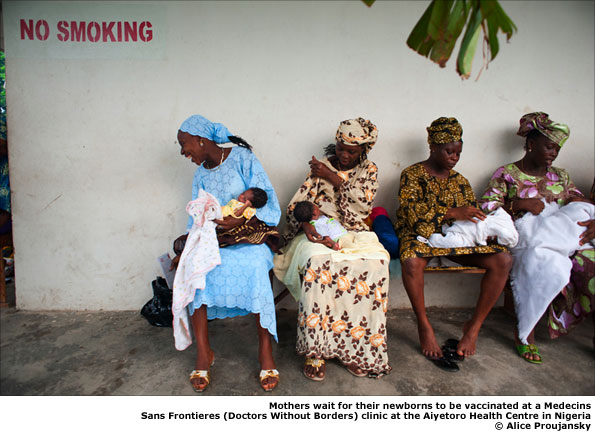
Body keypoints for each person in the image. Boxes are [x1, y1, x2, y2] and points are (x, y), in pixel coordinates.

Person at [274, 118, 391, 381]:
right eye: (341, 148)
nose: (345, 155)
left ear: (364, 149)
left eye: (352, 150)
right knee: (319, 261)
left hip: (355, 230)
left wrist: (331, 178)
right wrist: (306, 225)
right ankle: (316, 350)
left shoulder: (369, 170)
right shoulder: (321, 166)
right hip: (315, 228)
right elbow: (298, 203)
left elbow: (363, 204)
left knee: (375, 263)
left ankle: (355, 347)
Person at [173, 114, 281, 392]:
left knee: (257, 267)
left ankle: (265, 352)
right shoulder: (200, 174)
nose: (183, 151)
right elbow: (196, 214)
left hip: (251, 237)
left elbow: (267, 200)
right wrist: (190, 239)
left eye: (184, 144)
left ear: (201, 139)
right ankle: (203, 354)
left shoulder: (243, 158)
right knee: (196, 268)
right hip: (214, 240)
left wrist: (241, 220)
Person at [394, 117, 512, 370]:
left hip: (456, 238)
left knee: (503, 259)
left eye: (458, 152)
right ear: (433, 147)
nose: (454, 157)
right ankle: (424, 324)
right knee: (412, 260)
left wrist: (484, 229)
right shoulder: (413, 174)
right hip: (419, 235)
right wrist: (450, 212)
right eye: (449, 151)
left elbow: (471, 214)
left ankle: (473, 326)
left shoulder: (460, 181)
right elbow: (410, 212)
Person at [480, 112, 595, 364]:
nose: (554, 153)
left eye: (557, 149)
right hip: (528, 238)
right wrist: (519, 203)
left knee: (593, 262)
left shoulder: (561, 176)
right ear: (531, 144)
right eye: (550, 147)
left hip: (565, 236)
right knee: (540, 262)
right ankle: (525, 333)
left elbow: (579, 203)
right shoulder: (507, 173)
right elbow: (487, 207)